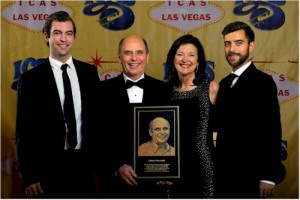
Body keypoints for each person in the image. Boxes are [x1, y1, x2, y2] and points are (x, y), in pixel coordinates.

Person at [15, 11, 101, 198]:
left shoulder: (89, 74)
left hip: (84, 167)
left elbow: (98, 121)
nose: (63, 39)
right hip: (47, 170)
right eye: (57, 33)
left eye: (68, 33)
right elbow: (24, 131)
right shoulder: (31, 80)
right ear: (46, 37)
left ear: (74, 38)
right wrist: (30, 176)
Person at [215, 21, 286, 198]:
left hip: (250, 176)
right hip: (224, 174)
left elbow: (272, 130)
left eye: (238, 43)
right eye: (227, 43)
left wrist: (269, 176)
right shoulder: (224, 83)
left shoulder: (262, 82)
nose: (232, 49)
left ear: (251, 45)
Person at [98, 34, 170, 198]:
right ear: (119, 57)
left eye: (139, 52)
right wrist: (117, 167)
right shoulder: (101, 92)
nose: (134, 58)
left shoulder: (164, 90)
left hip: (154, 187)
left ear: (147, 56)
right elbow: (94, 138)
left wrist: (167, 170)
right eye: (128, 53)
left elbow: (172, 136)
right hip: (113, 186)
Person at [164, 34, 219, 198]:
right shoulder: (164, 91)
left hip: (204, 168)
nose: (185, 59)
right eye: (180, 54)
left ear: (199, 61)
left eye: (191, 55)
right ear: (172, 59)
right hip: (172, 170)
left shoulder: (212, 88)